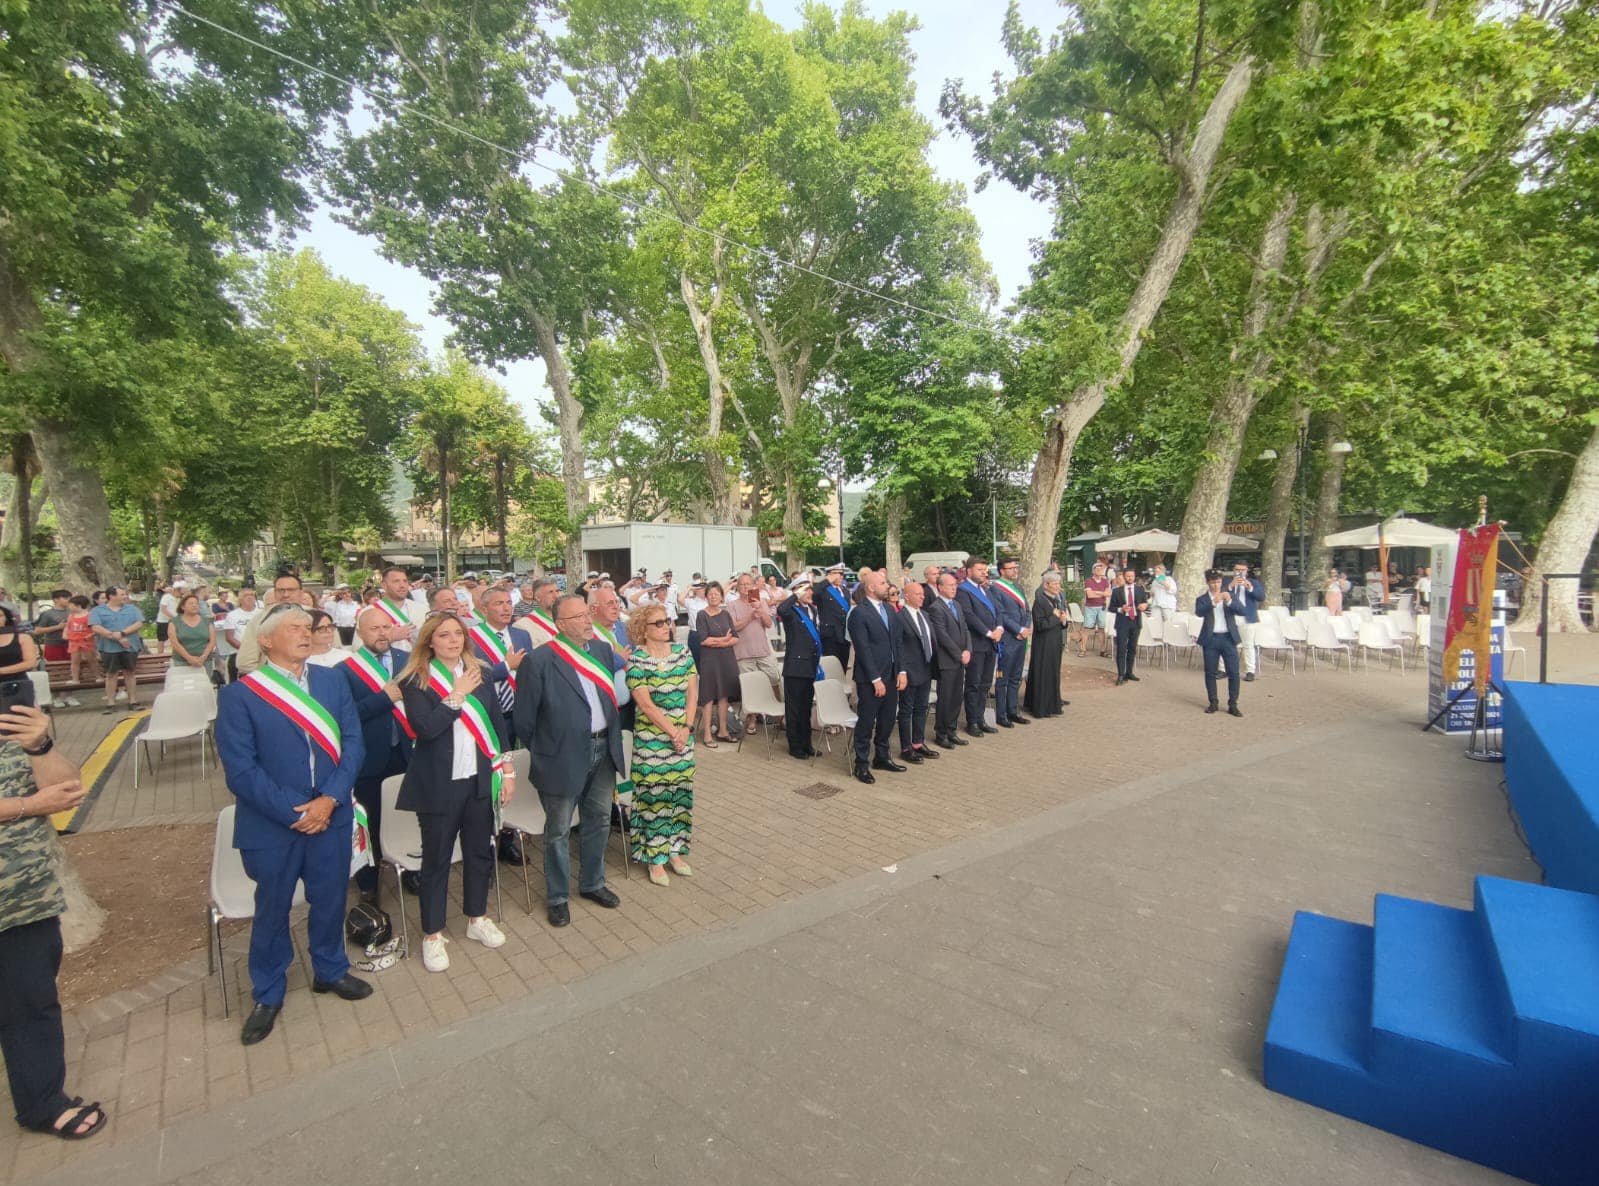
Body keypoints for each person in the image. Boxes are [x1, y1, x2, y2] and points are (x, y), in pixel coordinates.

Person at [214, 604, 371, 1045]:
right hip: (273, 826)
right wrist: (295, 812)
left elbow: (354, 742)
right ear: (266, 641)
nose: (307, 633)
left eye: (309, 627)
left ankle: (330, 969)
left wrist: (330, 800)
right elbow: (240, 771)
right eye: (294, 628)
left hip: (331, 815)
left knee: (329, 898)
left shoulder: (330, 680)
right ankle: (268, 991)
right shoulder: (240, 695)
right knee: (272, 909)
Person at [0, 703, 104, 1140]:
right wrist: (28, 805)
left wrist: (41, 746)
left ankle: (42, 1103)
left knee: (31, 1001)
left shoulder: (12, 724)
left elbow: (67, 788)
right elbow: (42, 802)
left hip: (26, 897)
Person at [398, 613, 512, 973]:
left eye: (458, 634)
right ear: (429, 641)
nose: (452, 640)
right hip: (438, 786)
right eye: (443, 635)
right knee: (437, 860)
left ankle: (476, 919)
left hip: (479, 779)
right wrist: (457, 694)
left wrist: (507, 771)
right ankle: (432, 934)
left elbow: (496, 724)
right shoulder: (415, 680)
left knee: (479, 853)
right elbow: (425, 729)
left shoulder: (482, 672)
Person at [512, 594, 627, 929]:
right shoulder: (540, 660)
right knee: (559, 829)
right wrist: (548, 749)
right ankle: (558, 897)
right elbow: (524, 721)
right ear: (560, 625)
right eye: (579, 617)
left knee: (599, 820)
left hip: (603, 749)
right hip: (561, 756)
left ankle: (593, 882)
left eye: (588, 614)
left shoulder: (603, 651)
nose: (588, 620)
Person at [340, 605, 412, 904]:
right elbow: (345, 717)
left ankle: (410, 868)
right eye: (374, 628)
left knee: (408, 814)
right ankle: (369, 884)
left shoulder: (407, 659)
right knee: (370, 822)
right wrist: (383, 699)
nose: (382, 633)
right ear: (359, 632)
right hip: (370, 759)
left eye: (386, 627)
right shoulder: (344, 670)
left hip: (407, 752)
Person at [624, 606, 697, 887]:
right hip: (652, 742)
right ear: (643, 630)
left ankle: (676, 852)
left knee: (679, 795)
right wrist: (672, 732)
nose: (668, 626)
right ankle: (655, 859)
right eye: (659, 623)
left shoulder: (683, 653)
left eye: (669, 621)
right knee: (654, 799)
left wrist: (687, 729)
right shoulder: (637, 661)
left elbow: (693, 691)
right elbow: (645, 704)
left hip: (683, 737)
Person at [468, 587, 532, 866]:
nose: (506, 608)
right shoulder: (471, 638)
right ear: (484, 609)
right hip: (491, 718)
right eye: (498, 604)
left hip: (520, 713)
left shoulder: (521, 634)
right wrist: (505, 666)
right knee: (493, 776)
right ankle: (488, 836)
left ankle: (509, 836)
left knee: (516, 772)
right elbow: (473, 677)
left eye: (509, 603)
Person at [847, 568, 906, 784]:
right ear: (871, 587)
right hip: (871, 678)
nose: (887, 586)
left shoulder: (890, 611)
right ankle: (861, 763)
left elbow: (897, 643)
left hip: (891, 675)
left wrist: (901, 670)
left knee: (887, 719)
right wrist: (875, 679)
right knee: (867, 720)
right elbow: (863, 649)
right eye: (882, 583)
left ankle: (882, 756)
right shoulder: (859, 613)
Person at [776, 577, 824, 760]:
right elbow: (781, 609)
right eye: (807, 590)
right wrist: (795, 594)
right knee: (794, 708)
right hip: (795, 666)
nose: (811, 593)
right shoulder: (791, 611)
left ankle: (807, 743)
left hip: (810, 665)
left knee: (806, 707)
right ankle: (795, 745)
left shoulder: (812, 609)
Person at [956, 557, 1002, 739]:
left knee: (985, 684)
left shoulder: (986, 590)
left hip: (991, 643)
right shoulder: (963, 591)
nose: (984, 572)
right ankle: (972, 721)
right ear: (969, 571)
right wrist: (988, 632)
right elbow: (969, 615)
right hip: (977, 643)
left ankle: (981, 718)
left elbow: (998, 611)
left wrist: (999, 628)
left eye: (985, 569)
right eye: (979, 569)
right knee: (974, 684)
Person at [727, 574, 779, 736]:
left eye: (748, 584)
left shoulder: (761, 600)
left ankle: (779, 714)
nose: (745, 587)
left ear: (753, 586)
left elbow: (769, 624)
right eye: (742, 584)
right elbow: (734, 627)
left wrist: (760, 609)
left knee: (774, 678)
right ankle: (752, 718)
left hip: (763, 651)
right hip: (743, 653)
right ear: (737, 587)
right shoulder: (732, 605)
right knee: (750, 688)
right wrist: (750, 616)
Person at [894, 579, 939, 763]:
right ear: (907, 596)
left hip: (925, 669)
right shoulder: (900, 617)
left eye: (923, 594)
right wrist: (902, 671)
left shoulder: (925, 615)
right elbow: (898, 647)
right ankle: (906, 747)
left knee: (922, 707)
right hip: (909, 671)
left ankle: (918, 743)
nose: (922, 597)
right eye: (918, 594)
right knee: (906, 710)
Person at [925, 573, 970, 748]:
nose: (954, 588)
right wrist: (958, 654)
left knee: (957, 696)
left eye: (955, 585)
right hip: (947, 660)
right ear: (940, 587)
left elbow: (965, 629)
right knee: (945, 698)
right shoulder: (936, 608)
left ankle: (952, 730)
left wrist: (968, 650)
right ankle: (941, 732)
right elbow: (941, 636)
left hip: (960, 658)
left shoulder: (957, 605)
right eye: (950, 585)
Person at [693, 582, 739, 747]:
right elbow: (704, 640)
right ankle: (706, 734)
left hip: (726, 658)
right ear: (706, 596)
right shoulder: (701, 615)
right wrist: (724, 640)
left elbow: (735, 637)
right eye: (710, 594)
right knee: (708, 696)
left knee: (723, 695)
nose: (714, 596)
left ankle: (723, 730)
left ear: (722, 596)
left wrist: (722, 642)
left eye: (717, 593)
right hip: (710, 660)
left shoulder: (726, 614)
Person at [990, 557, 1033, 727]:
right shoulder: (996, 588)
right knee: (1003, 679)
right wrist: (1018, 629)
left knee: (1016, 677)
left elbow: (1027, 610)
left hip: (1021, 639)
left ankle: (1013, 711)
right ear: (1002, 570)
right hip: (1008, 639)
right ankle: (1001, 715)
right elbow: (1001, 614)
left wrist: (1026, 628)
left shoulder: (1018, 587)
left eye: (1016, 567)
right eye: (1011, 568)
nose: (1015, 570)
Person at [87, 586, 144, 714]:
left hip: (130, 646)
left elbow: (139, 623)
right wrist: (116, 637)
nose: (125, 596)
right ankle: (110, 703)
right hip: (108, 648)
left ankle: (133, 701)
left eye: (125, 594)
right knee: (111, 674)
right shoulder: (97, 611)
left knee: (129, 673)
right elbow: (96, 627)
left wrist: (123, 633)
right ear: (111, 596)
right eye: (122, 594)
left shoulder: (132, 609)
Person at [1197, 570, 1245, 717]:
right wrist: (1212, 603)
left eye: (1218, 582)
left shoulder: (1229, 595)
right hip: (1210, 638)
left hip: (1228, 638)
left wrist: (1229, 601)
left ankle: (1233, 704)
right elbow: (1199, 612)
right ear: (1207, 583)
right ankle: (1213, 702)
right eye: (1212, 582)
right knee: (1210, 673)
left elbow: (1242, 611)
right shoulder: (1203, 598)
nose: (1215, 585)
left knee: (1234, 673)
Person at [1025, 571, 1069, 718]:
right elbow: (1040, 625)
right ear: (1046, 585)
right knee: (1043, 673)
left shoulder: (1055, 599)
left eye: (1058, 583)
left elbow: (1059, 619)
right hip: (1044, 643)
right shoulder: (1040, 601)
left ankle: (1052, 703)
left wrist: (1063, 620)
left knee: (1053, 673)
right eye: (1055, 584)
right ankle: (1041, 707)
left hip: (1055, 641)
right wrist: (1056, 617)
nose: (1058, 586)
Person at [1106, 567, 1149, 686]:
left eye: (1132, 576)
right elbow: (1111, 608)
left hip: (1135, 621)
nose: (1130, 578)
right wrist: (1120, 609)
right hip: (1122, 621)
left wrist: (1144, 606)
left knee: (1132, 648)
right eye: (1128, 576)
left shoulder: (1140, 590)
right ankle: (1120, 674)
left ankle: (1129, 672)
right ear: (1124, 577)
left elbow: (1145, 603)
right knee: (1121, 648)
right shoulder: (1117, 591)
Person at [1227, 561, 1266, 682]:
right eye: (1237, 569)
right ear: (1234, 570)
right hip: (1231, 616)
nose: (1240, 572)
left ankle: (1250, 671)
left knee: (1248, 645)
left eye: (1242, 570)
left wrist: (1250, 588)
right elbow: (1219, 594)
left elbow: (1261, 597)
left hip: (1247, 617)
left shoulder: (1254, 582)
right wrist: (1231, 586)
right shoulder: (1227, 582)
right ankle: (1224, 670)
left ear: (1246, 571)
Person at [813, 563, 852, 669]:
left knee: (842, 667)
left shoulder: (845, 591)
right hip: (830, 636)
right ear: (829, 574)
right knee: (831, 668)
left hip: (844, 636)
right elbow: (813, 594)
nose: (841, 576)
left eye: (842, 574)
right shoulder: (823, 590)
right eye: (838, 573)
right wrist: (827, 581)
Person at [168, 592, 217, 676]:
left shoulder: (207, 621)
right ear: (183, 607)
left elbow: (212, 641)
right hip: (181, 662)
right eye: (191, 603)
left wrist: (203, 657)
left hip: (205, 662)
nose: (194, 605)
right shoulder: (174, 622)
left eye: (196, 603)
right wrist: (189, 658)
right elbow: (175, 643)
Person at [0, 609, 40, 703]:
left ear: (6, 618)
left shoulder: (22, 637)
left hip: (16, 684)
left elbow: (30, 663)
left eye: (0, 616)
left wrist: (1, 670)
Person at [221, 588, 260, 684]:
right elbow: (229, 638)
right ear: (240, 599)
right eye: (246, 595)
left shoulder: (261, 613)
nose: (250, 597)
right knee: (237, 686)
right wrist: (246, 650)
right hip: (238, 655)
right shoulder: (232, 615)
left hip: (259, 656)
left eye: (252, 595)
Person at [513, 577, 561, 648]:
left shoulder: (568, 618)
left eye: (557, 591)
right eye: (550, 592)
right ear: (538, 597)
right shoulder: (522, 626)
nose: (556, 596)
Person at [64, 596, 98, 688]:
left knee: (91, 659)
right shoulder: (71, 616)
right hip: (74, 641)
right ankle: (75, 679)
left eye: (71, 605)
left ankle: (98, 676)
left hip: (86, 641)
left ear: (78, 605)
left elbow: (96, 628)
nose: (69, 607)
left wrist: (91, 635)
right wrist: (65, 634)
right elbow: (67, 626)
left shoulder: (89, 615)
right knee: (74, 661)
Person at [1080, 562, 1111, 658]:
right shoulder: (1088, 581)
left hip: (1102, 607)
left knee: (1102, 629)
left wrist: (1096, 592)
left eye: (1101, 569)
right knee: (1087, 628)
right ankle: (1083, 649)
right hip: (1090, 607)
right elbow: (1090, 595)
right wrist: (1102, 593)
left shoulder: (1105, 581)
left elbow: (1108, 593)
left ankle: (1102, 650)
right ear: (1093, 571)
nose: (1099, 571)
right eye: (1097, 569)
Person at [32, 591, 71, 665]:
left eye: (69, 598)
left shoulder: (72, 612)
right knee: (55, 669)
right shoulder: (47, 614)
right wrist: (58, 627)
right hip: (53, 646)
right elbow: (37, 631)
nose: (68, 600)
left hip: (72, 645)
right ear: (56, 599)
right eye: (65, 598)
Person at [154, 580, 179, 655]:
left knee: (175, 638)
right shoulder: (166, 597)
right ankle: (160, 656)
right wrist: (173, 617)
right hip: (163, 621)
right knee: (161, 639)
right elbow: (163, 609)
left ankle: (175, 655)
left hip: (173, 621)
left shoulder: (177, 598)